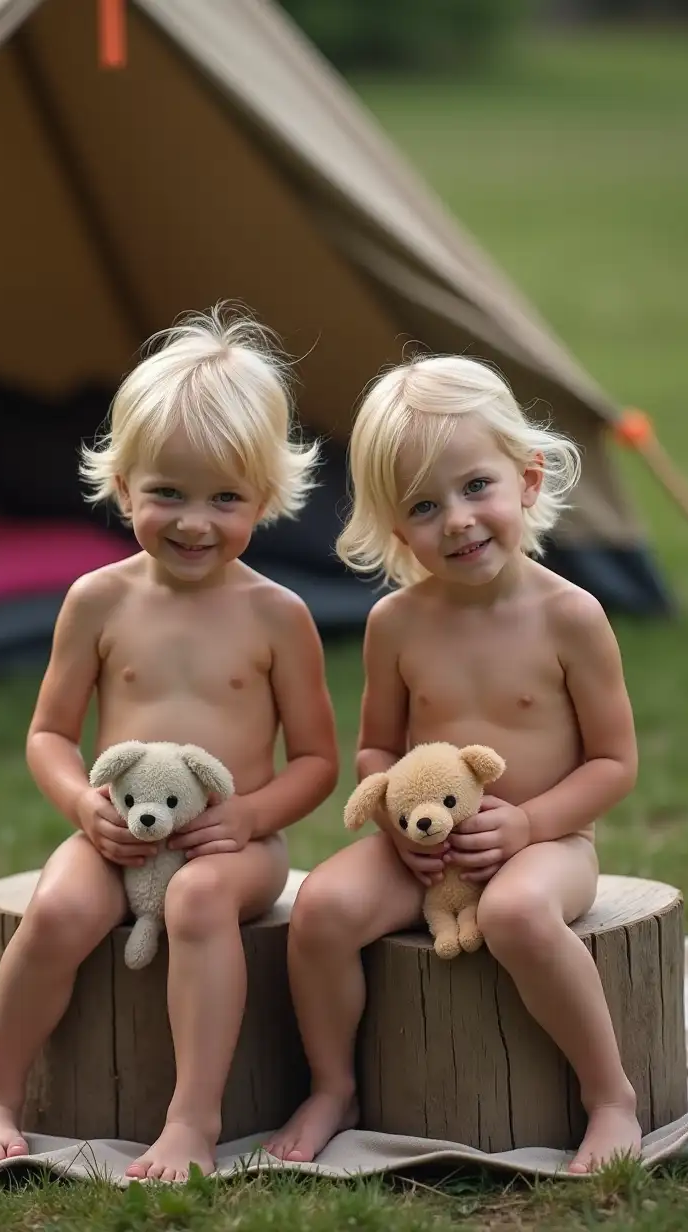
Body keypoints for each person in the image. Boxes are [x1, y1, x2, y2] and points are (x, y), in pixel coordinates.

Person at [0, 307, 339, 1182]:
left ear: (267, 498)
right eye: (168, 493)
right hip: (116, 834)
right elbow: (51, 733)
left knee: (198, 904)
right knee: (56, 911)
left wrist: (248, 818)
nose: (195, 522)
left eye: (226, 499)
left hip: (230, 848)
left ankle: (192, 1119)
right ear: (124, 486)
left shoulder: (278, 617)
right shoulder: (97, 600)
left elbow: (318, 761)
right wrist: (80, 807)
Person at [266, 354, 641, 1175]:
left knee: (514, 917)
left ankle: (609, 1094)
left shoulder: (570, 618)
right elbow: (376, 746)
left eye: (477, 488)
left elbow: (615, 763)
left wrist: (532, 823)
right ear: (397, 530)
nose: (459, 521)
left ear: (528, 479)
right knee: (322, 907)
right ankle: (335, 1086)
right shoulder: (396, 624)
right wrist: (401, 831)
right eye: (425, 507)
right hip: (424, 849)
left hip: (548, 841)